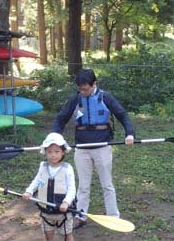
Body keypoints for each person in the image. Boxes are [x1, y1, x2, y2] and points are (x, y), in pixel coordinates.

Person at [51, 69, 135, 229]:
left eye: (86, 89)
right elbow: (60, 119)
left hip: (102, 146)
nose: (83, 92)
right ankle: (80, 216)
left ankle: (113, 217)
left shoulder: (106, 97)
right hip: (82, 148)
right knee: (83, 185)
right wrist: (54, 138)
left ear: (94, 84)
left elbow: (122, 115)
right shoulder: (76, 98)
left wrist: (129, 133)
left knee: (107, 184)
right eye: (80, 89)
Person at [23, 132, 77, 241]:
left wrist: (66, 202)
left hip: (63, 212)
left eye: (57, 151)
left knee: (67, 235)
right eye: (50, 152)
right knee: (48, 236)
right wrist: (29, 191)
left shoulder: (67, 168)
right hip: (46, 211)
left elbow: (72, 188)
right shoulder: (43, 167)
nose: (53, 155)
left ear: (63, 152)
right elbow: (37, 181)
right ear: (45, 152)